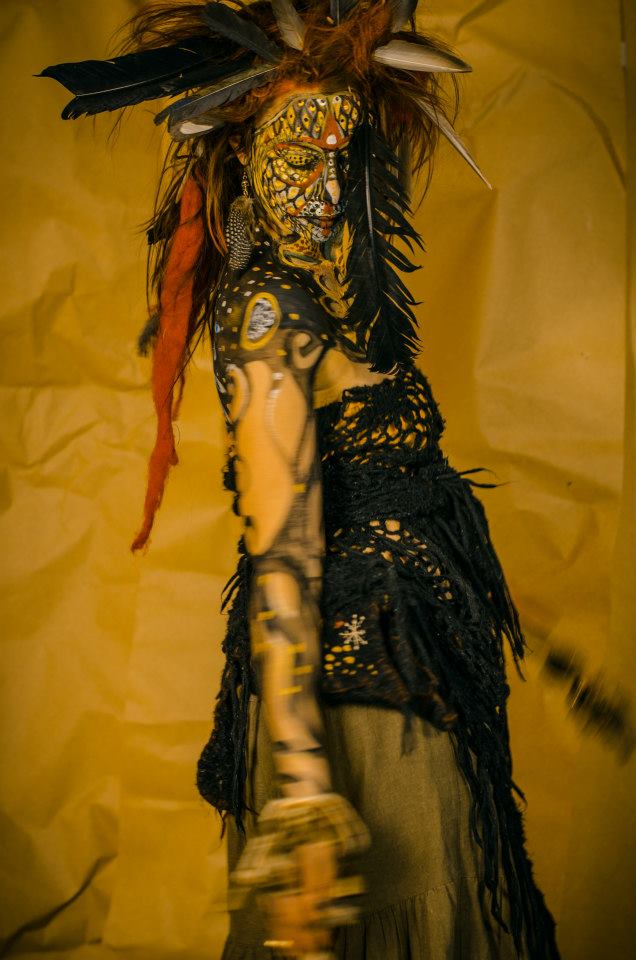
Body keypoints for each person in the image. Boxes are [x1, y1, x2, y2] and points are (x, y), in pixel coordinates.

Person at [41, 2, 562, 957]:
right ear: (244, 160)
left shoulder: (339, 304)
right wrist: (304, 792)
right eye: (294, 151)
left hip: (416, 666)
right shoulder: (267, 314)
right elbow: (280, 552)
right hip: (350, 698)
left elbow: (404, 483)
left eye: (338, 150)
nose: (321, 179)